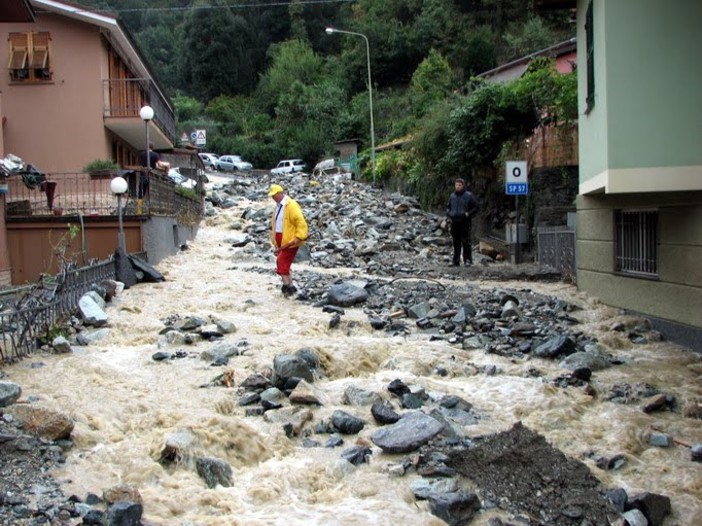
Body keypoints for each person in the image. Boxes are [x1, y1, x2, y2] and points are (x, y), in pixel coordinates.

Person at [268, 184, 308, 296]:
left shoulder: (291, 205)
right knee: (284, 263)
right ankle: (290, 286)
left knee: (281, 262)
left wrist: (300, 236)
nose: (273, 197)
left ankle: (287, 287)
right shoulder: (278, 206)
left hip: (290, 240)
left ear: (280, 193)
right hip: (281, 239)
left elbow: (301, 222)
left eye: (274, 195)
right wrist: (274, 241)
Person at [446, 177, 479, 266]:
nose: (458, 187)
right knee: (455, 241)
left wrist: (468, 214)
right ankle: (456, 260)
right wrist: (449, 213)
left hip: (464, 222)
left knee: (466, 241)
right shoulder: (452, 196)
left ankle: (467, 260)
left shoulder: (468, 196)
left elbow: (476, 207)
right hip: (454, 221)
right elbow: (448, 207)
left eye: (459, 185)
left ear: (463, 186)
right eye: (456, 185)